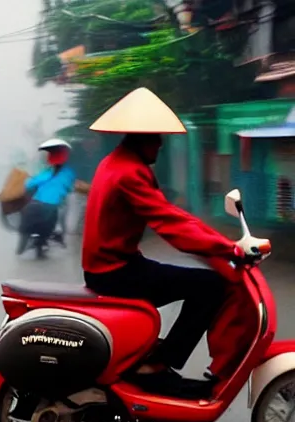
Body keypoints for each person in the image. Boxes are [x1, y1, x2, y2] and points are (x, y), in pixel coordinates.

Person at [82, 87, 250, 400]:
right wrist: (230, 249)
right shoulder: (129, 173)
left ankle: (154, 359)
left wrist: (225, 242)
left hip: (114, 264)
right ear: (141, 139)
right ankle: (157, 364)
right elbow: (170, 225)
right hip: (115, 272)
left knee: (200, 281)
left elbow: (173, 214)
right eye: (156, 137)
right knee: (210, 285)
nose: (160, 144)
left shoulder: (115, 162)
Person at [15, 139, 76, 256]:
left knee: (25, 224)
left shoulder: (46, 173)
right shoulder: (69, 173)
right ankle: (52, 238)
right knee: (58, 220)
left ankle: (23, 247)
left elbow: (29, 185)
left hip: (34, 206)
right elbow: (69, 188)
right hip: (52, 208)